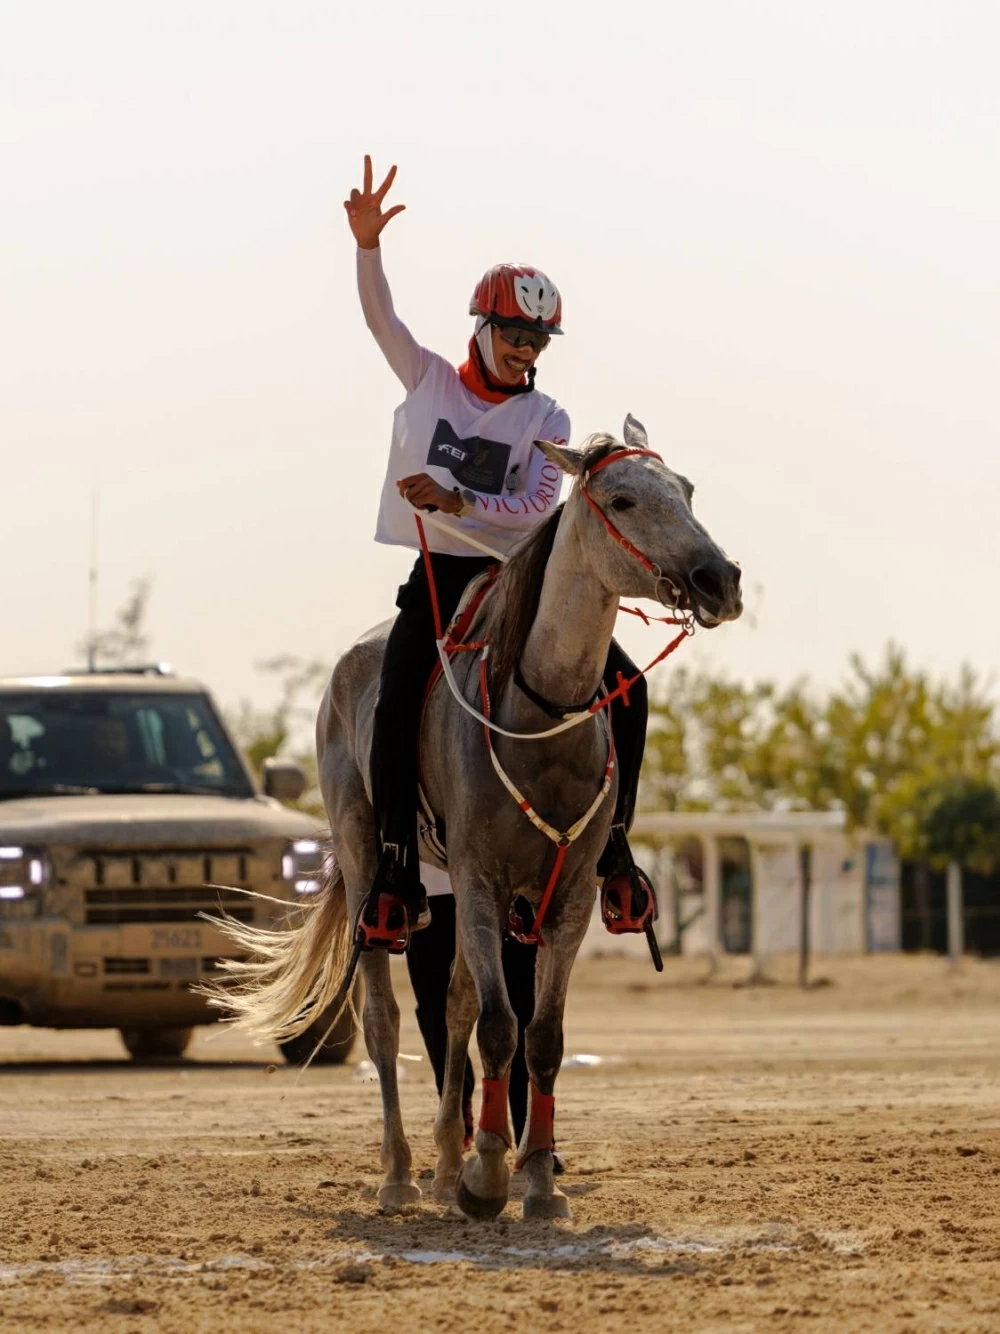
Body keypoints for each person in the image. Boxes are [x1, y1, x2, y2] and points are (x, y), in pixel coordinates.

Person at [346, 154, 654, 1137]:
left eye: (537, 337)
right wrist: (366, 247)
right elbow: (380, 321)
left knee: (625, 685)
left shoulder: (548, 420)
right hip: (436, 585)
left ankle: (616, 854)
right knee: (395, 694)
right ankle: (395, 862)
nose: (527, 350)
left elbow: (529, 522)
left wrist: (457, 499)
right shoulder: (431, 378)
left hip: (515, 591)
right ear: (482, 330)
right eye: (515, 333)